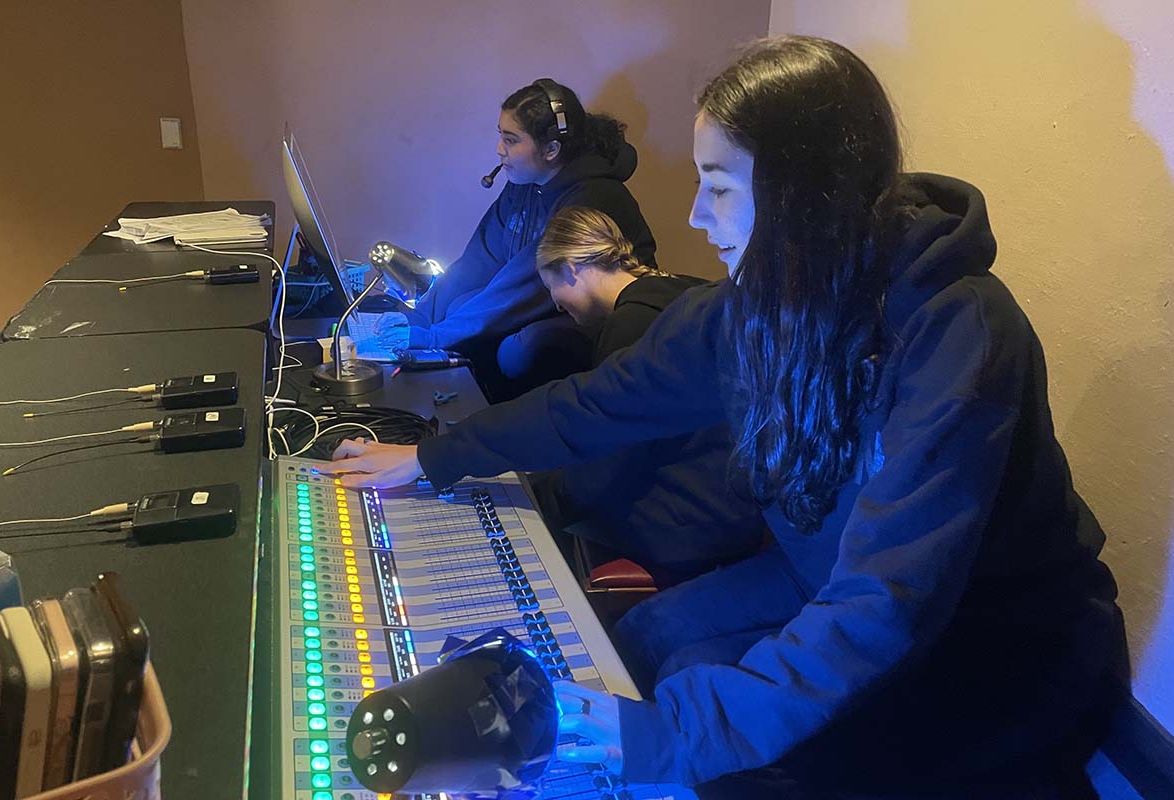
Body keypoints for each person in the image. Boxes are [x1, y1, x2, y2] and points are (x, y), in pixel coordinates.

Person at [322, 37, 1127, 798]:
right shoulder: (756, 304)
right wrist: (435, 458)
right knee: (640, 647)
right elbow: (600, 404)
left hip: (995, 642)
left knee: (729, 762)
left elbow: (886, 603)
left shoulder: (961, 329)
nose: (698, 217)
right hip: (820, 576)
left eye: (720, 186)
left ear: (802, 195)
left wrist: (667, 735)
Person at [364, 79, 658, 398]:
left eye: (511, 140)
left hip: (594, 319)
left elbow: (523, 289)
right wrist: (418, 319)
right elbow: (478, 262)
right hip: (541, 303)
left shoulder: (592, 198)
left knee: (520, 350)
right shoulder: (524, 184)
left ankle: (510, 416)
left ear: (551, 150)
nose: (499, 149)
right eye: (501, 136)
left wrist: (433, 337)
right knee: (460, 305)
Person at [529, 205, 766, 587]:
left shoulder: (631, 324)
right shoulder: (683, 289)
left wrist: (531, 497)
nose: (556, 303)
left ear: (571, 269)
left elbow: (609, 455)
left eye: (551, 286)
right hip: (738, 501)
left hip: (693, 522)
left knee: (542, 527)